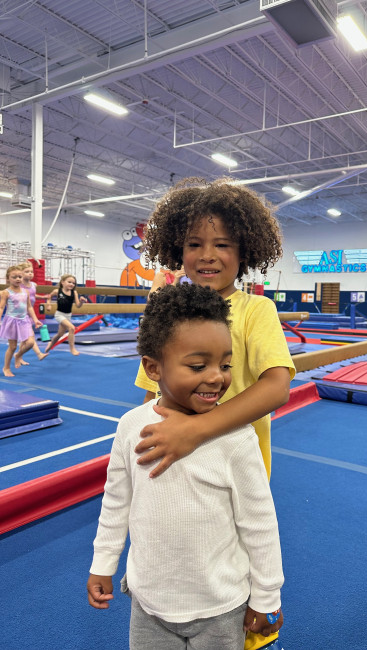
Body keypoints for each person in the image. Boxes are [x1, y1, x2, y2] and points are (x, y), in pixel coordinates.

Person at [87, 284, 284, 649]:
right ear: (153, 367)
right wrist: (103, 562)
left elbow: (259, 523)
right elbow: (116, 500)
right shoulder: (132, 426)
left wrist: (267, 596)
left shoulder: (235, 439)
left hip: (220, 606)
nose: (216, 377)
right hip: (149, 603)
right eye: (198, 365)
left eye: (225, 364)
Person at [134, 177, 295, 480]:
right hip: (176, 462)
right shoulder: (167, 312)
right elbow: (152, 393)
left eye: (222, 244)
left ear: (243, 252)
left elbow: (277, 386)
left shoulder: (255, 310)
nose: (207, 254)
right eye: (194, 244)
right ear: (178, 251)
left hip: (237, 470)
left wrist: (196, 428)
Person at [0, 265, 45, 377]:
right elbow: (1, 307)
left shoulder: (26, 292)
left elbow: (29, 307)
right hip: (12, 321)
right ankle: (6, 367)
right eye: (14, 277)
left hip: (24, 320)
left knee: (30, 342)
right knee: (13, 346)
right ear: (8, 278)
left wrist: (35, 320)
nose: (18, 279)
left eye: (19, 276)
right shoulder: (6, 292)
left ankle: (18, 355)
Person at [44, 274, 87, 355]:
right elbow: (49, 296)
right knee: (72, 328)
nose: (71, 284)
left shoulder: (74, 292)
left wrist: (81, 301)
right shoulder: (57, 291)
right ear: (63, 282)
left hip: (68, 315)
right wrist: (48, 304)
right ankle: (72, 348)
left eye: (73, 283)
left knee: (60, 334)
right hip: (59, 314)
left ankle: (51, 343)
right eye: (69, 282)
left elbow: (78, 306)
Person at [18, 261, 50, 364]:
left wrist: (42, 297)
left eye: (31, 271)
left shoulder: (33, 285)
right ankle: (39, 354)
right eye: (27, 271)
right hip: (21, 314)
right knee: (30, 336)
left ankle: (19, 357)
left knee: (25, 339)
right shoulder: (19, 285)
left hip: (30, 313)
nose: (30, 273)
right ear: (21, 273)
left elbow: (32, 296)